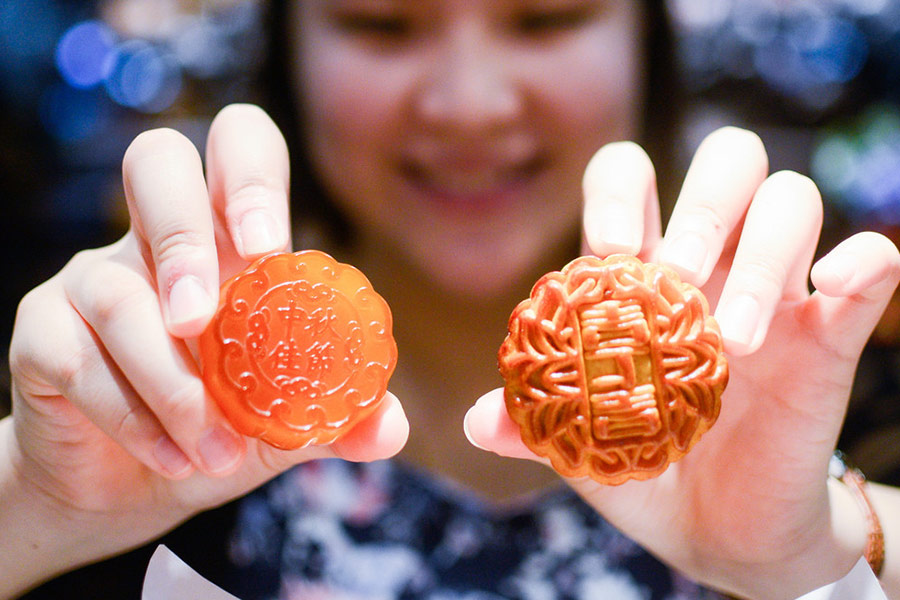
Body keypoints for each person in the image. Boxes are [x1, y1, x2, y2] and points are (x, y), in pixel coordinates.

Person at [3, 0, 900, 598]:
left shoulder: (811, 372)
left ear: (645, 44)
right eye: (384, 22)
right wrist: (33, 504)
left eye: (546, 15)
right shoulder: (139, 385)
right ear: (289, 51)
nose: (469, 104)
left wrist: (824, 547)